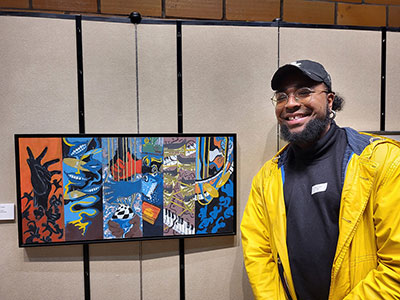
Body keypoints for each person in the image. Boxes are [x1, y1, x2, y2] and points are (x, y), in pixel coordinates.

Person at [241, 59, 400, 300]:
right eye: (282, 96)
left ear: (329, 100)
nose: (291, 104)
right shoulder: (268, 177)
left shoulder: (382, 161)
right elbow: (258, 255)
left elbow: (395, 268)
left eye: (304, 92)